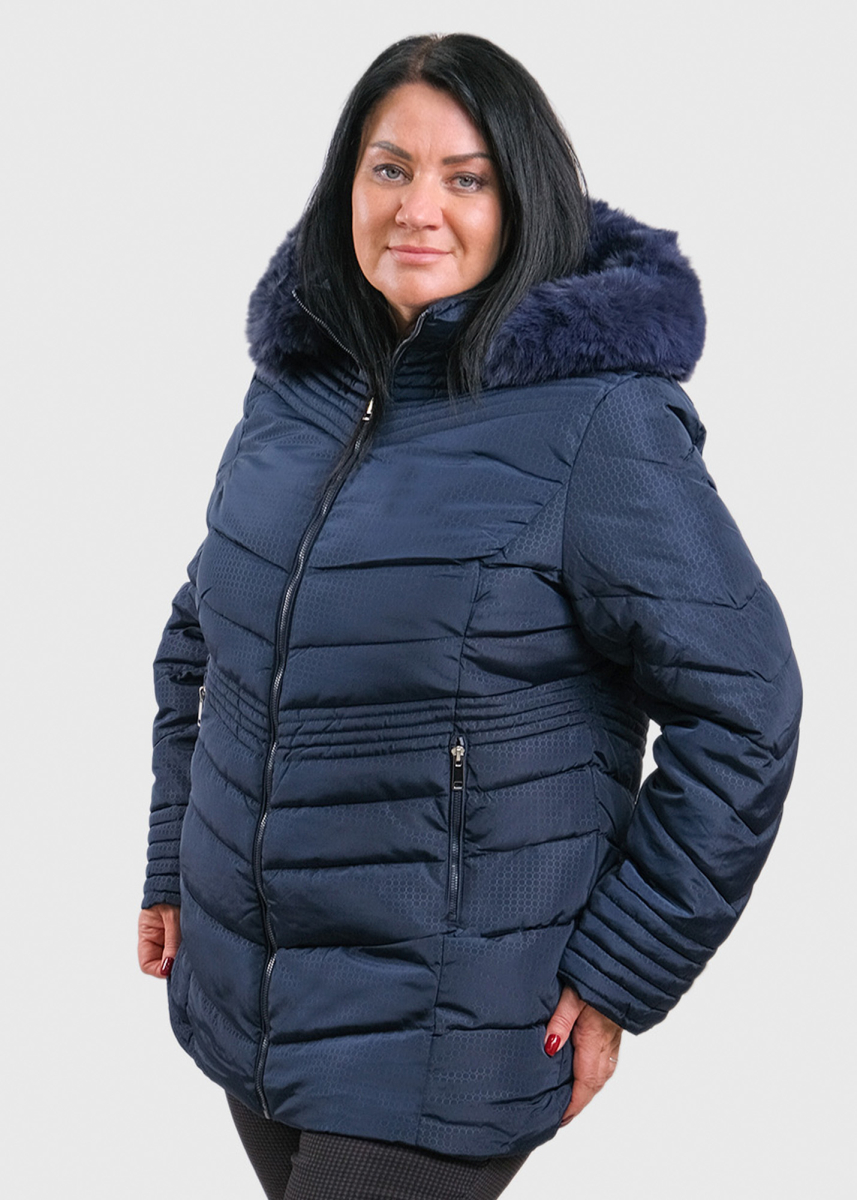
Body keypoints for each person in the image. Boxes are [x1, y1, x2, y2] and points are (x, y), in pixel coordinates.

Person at [138, 32, 801, 1200]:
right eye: (389, 168)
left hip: (450, 1035)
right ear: (346, 182)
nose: (417, 209)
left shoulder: (597, 422)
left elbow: (744, 707)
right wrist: (169, 863)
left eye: (465, 177)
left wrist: (621, 967)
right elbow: (209, 638)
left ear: (522, 198)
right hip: (255, 1000)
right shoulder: (299, 385)